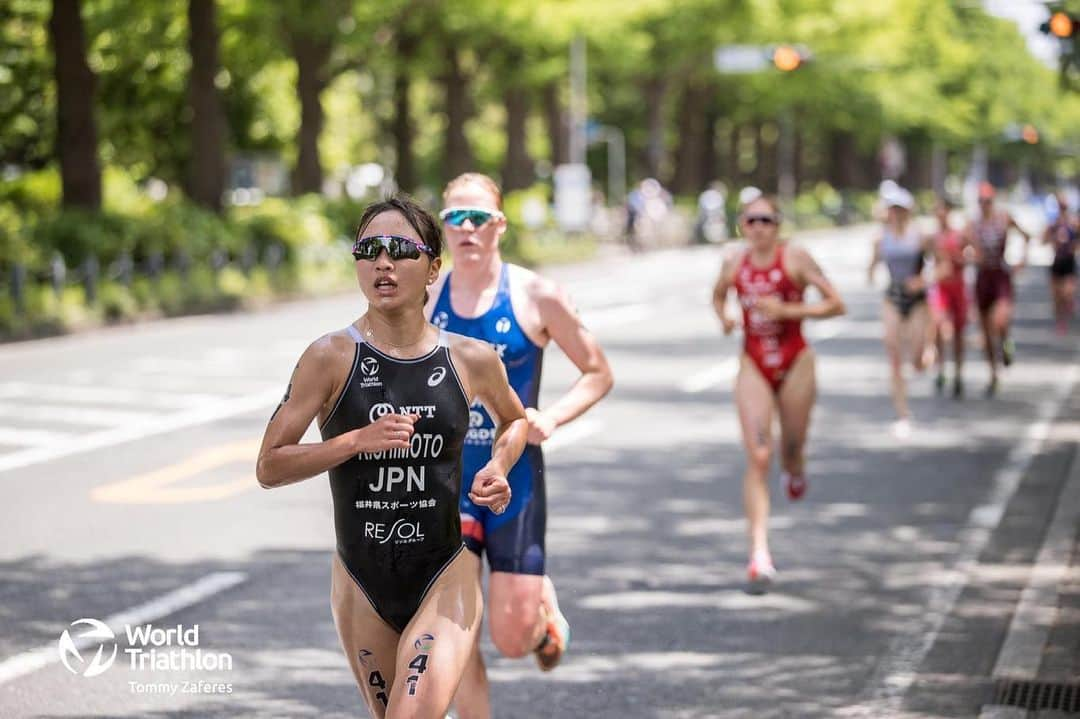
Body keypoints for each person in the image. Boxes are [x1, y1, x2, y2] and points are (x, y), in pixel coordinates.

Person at [256, 195, 528, 719]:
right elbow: (269, 465)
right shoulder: (329, 356)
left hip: (444, 574)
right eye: (369, 249)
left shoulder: (469, 358)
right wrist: (355, 441)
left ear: (433, 265)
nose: (383, 262)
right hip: (361, 584)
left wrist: (497, 466)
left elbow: (514, 422)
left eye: (401, 249)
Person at [427, 173, 613, 718]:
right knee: (452, 634)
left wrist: (549, 417)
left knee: (510, 640)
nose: (466, 229)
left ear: (499, 226)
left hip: (514, 480)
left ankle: (541, 615)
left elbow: (598, 373)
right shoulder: (425, 298)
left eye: (477, 218)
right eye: (455, 218)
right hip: (443, 484)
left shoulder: (537, 295)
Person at [711, 188, 845, 594]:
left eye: (766, 220)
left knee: (790, 449)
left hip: (795, 360)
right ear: (742, 226)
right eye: (751, 220)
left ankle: (797, 465)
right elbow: (718, 295)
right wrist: (726, 318)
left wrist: (788, 311)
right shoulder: (734, 260)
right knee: (759, 455)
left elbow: (836, 303)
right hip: (753, 361)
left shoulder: (796, 258)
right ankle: (759, 553)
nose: (758, 228)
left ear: (778, 226)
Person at [867, 185, 934, 436]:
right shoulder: (880, 237)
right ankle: (902, 414)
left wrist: (922, 280)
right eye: (892, 209)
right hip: (892, 296)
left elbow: (940, 266)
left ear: (908, 210)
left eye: (900, 209)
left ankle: (925, 351)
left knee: (916, 356)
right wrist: (870, 272)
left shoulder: (921, 235)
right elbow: (873, 263)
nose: (895, 213)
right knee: (893, 352)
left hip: (916, 299)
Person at [966, 182, 1031, 396]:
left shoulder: (1004, 218)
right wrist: (970, 255)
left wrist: (1022, 260)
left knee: (1001, 318)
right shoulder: (973, 224)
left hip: (1001, 275)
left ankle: (1006, 342)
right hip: (983, 276)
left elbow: (1026, 235)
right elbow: (963, 248)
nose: (985, 205)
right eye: (981, 201)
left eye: (988, 201)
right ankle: (993, 373)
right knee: (985, 329)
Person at [927, 196, 971, 398]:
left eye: (943, 209)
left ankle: (958, 373)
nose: (940, 214)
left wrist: (960, 258)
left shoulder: (959, 236)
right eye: (937, 210)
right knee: (941, 328)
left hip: (958, 288)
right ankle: (941, 368)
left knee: (959, 335)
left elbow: (972, 255)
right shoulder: (932, 238)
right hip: (940, 290)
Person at [1043, 192, 1078, 335]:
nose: (1062, 209)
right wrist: (1053, 240)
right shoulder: (1054, 223)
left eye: (1064, 206)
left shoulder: (1074, 223)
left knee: (1068, 292)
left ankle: (1070, 303)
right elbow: (1043, 239)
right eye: (1060, 206)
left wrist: (1073, 245)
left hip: (1069, 261)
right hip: (1057, 262)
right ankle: (1060, 321)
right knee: (1057, 297)